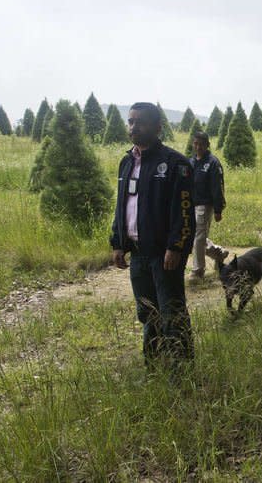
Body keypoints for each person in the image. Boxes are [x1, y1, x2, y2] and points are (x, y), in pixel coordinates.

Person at [110, 102, 195, 368]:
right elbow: (122, 205)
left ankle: (182, 369)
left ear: (157, 128)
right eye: (131, 121)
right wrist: (118, 243)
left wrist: (176, 246)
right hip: (138, 253)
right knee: (148, 313)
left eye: (141, 122)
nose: (134, 127)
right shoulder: (127, 162)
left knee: (172, 313)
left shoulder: (174, 163)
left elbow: (183, 209)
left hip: (165, 254)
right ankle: (154, 366)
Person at [188, 131, 228, 282]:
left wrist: (218, 209)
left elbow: (217, 187)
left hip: (205, 205)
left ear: (207, 145)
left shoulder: (212, 163)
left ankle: (198, 271)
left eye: (201, 144)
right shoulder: (191, 162)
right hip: (191, 204)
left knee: (198, 238)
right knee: (197, 236)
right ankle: (219, 253)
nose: (198, 147)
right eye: (196, 144)